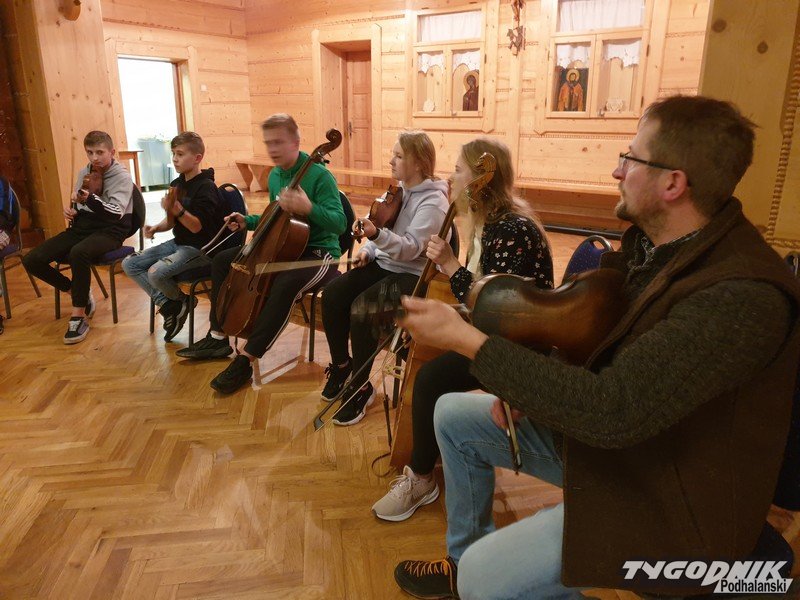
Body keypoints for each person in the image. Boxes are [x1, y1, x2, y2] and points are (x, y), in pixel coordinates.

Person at [392, 95, 800, 599]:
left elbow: (613, 411)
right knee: (453, 415)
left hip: (671, 498)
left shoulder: (739, 296)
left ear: (673, 184)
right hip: (623, 450)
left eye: (631, 158)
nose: (616, 170)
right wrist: (527, 388)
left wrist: (468, 340)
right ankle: (462, 558)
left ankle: (478, 575)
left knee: (486, 576)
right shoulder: (655, 245)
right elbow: (596, 347)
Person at [370, 137, 553, 522]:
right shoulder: (491, 221)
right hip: (495, 328)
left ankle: (422, 479)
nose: (450, 178)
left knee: (430, 378)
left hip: (517, 346)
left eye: (457, 170)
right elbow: (483, 297)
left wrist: (452, 264)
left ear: (481, 179)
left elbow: (495, 307)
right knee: (421, 346)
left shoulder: (512, 230)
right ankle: (436, 445)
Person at [175, 114, 346, 394]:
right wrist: (248, 221)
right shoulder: (276, 175)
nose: (272, 149)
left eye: (279, 142)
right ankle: (218, 336)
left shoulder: (320, 176)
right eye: (268, 143)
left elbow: (340, 224)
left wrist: (309, 208)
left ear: (295, 142)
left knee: (285, 282)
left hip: (319, 253)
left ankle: (246, 359)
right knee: (222, 260)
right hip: (284, 248)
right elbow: (276, 218)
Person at [319, 130, 449, 426]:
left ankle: (361, 386)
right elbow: (382, 229)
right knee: (334, 294)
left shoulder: (433, 203)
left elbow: (411, 248)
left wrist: (376, 235)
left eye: (399, 156)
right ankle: (342, 366)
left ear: (419, 163)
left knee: (364, 309)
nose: (391, 161)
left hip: (413, 275)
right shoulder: (399, 190)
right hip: (386, 264)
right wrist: (369, 249)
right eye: (393, 154)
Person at [23, 130, 135, 344]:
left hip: (111, 230)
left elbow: (115, 213)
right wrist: (72, 210)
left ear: (112, 152)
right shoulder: (85, 172)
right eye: (90, 152)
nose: (94, 158)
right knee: (32, 259)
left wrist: (89, 199)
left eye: (100, 152)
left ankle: (78, 316)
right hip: (83, 227)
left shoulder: (121, 176)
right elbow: (80, 205)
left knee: (78, 252)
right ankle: (75, 290)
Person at [122, 132, 225, 342]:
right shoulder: (177, 183)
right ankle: (173, 303)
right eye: (173, 154)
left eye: (180, 154)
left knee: (155, 273)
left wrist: (177, 209)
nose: (175, 159)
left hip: (201, 249)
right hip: (179, 243)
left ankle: (179, 302)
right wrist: (155, 228)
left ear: (197, 158)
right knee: (130, 264)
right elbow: (171, 221)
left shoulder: (206, 187)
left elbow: (196, 227)